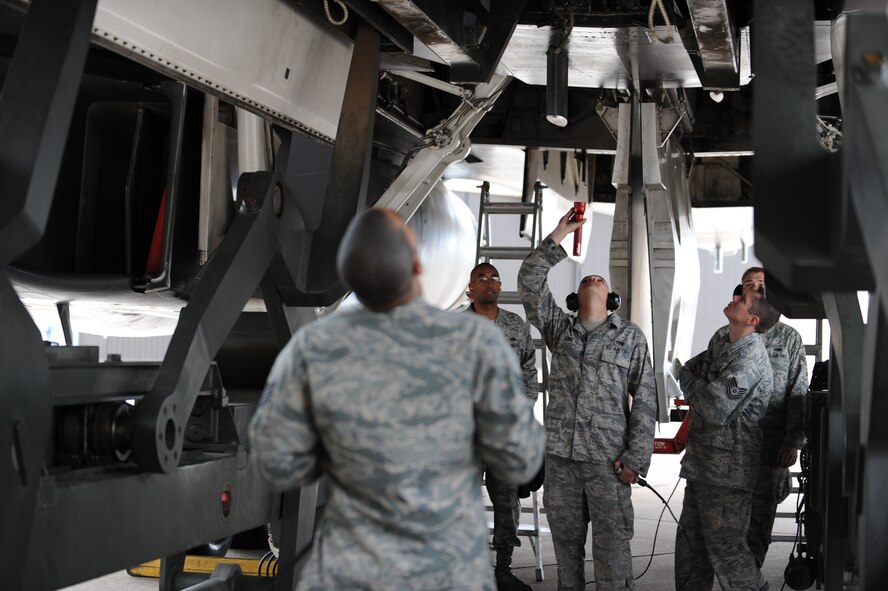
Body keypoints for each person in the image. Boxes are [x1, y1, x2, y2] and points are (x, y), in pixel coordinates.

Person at [249, 208, 546, 591]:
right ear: (419, 269)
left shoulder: (312, 346)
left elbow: (273, 457)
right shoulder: (470, 340)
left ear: (349, 275)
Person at [517, 210, 657, 591]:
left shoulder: (630, 337)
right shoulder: (559, 329)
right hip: (561, 461)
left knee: (613, 554)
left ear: (611, 298)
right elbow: (529, 280)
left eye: (599, 279)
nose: (592, 279)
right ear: (574, 298)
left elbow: (646, 397)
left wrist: (637, 457)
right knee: (566, 555)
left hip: (608, 463)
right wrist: (559, 234)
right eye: (585, 280)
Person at [673, 288, 777, 591]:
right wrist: (703, 386)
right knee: (691, 550)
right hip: (702, 465)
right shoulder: (723, 343)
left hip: (727, 475)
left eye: (742, 300)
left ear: (752, 320)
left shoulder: (749, 360)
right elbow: (687, 370)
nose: (734, 298)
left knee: (728, 552)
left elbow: (713, 408)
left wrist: (698, 387)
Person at [466, 262, 539, 574]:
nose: (489, 282)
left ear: (500, 286)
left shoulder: (515, 325)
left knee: (507, 498)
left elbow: (529, 372)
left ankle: (504, 567)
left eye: (494, 278)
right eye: (481, 278)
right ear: (471, 288)